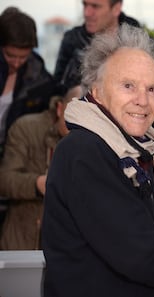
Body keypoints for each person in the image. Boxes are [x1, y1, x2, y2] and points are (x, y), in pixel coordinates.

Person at [42, 24, 154, 297]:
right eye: (128, 85)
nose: (142, 100)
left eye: (152, 89)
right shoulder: (85, 150)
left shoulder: (132, 149)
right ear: (96, 90)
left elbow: (123, 235)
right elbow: (137, 253)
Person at [0, 85, 80, 250]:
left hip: (69, 245)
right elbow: (4, 180)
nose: (76, 125)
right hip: (23, 239)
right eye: (71, 116)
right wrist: (38, 184)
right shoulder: (26, 128)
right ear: (59, 108)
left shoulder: (91, 140)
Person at [0, 6, 55, 155]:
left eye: (23, 57)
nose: (17, 63)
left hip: (12, 152)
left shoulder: (39, 77)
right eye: (10, 56)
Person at [53, 0, 141, 90]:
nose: (87, 13)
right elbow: (56, 90)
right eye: (85, 4)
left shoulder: (139, 41)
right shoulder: (72, 39)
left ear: (116, 9)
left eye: (95, 6)